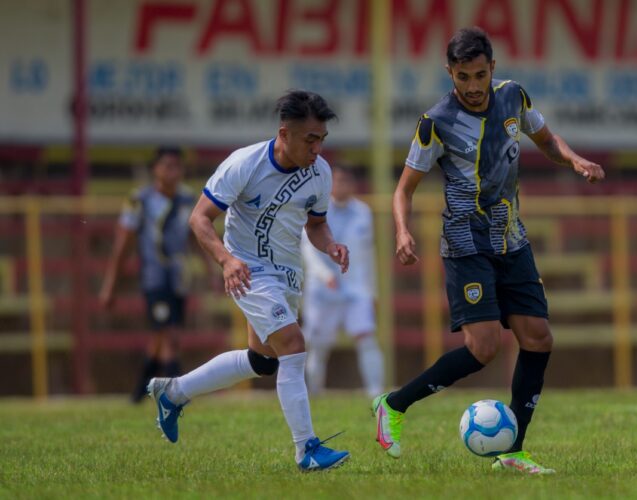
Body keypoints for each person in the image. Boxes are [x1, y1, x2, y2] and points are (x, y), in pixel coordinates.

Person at [373, 27, 605, 474]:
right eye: (463, 77)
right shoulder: (435, 122)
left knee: (538, 338)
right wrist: (402, 231)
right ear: (450, 73)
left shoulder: (514, 97)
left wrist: (574, 159)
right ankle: (394, 405)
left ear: (493, 68)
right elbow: (404, 189)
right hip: (466, 244)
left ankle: (513, 452)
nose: (474, 87)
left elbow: (547, 140)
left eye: (480, 74)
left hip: (511, 238)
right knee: (483, 349)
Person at [146, 89, 350, 472]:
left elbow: (317, 226)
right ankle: (306, 448)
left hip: (288, 273)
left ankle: (173, 392)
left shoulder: (319, 173)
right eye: (310, 139)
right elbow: (199, 219)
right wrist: (226, 261)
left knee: (262, 360)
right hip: (248, 269)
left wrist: (332, 246)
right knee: (293, 344)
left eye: (322, 140)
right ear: (284, 133)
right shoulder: (244, 163)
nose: (317, 149)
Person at [99, 146, 194, 403]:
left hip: (178, 279)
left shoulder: (187, 199)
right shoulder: (140, 200)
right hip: (154, 279)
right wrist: (111, 285)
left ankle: (140, 391)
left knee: (159, 338)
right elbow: (123, 245)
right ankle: (176, 394)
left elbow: (196, 237)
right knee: (169, 335)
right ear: (156, 169)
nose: (173, 172)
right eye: (167, 166)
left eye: (177, 166)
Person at [301, 165, 383, 397]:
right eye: (338, 181)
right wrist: (323, 275)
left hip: (355, 288)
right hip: (322, 289)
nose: (342, 186)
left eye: (346, 181)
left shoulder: (363, 212)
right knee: (318, 345)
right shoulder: (316, 209)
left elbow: (368, 254)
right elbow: (307, 248)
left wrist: (372, 291)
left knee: (366, 338)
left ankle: (376, 395)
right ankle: (314, 393)